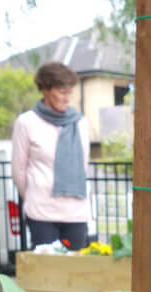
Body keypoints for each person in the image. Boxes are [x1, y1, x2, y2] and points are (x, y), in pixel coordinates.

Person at [11, 61, 91, 250]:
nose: (67, 98)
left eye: (69, 92)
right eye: (62, 92)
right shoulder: (26, 122)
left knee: (75, 274)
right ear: (45, 89)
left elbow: (83, 167)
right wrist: (35, 194)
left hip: (76, 213)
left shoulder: (80, 123)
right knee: (46, 276)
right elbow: (19, 172)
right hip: (41, 213)